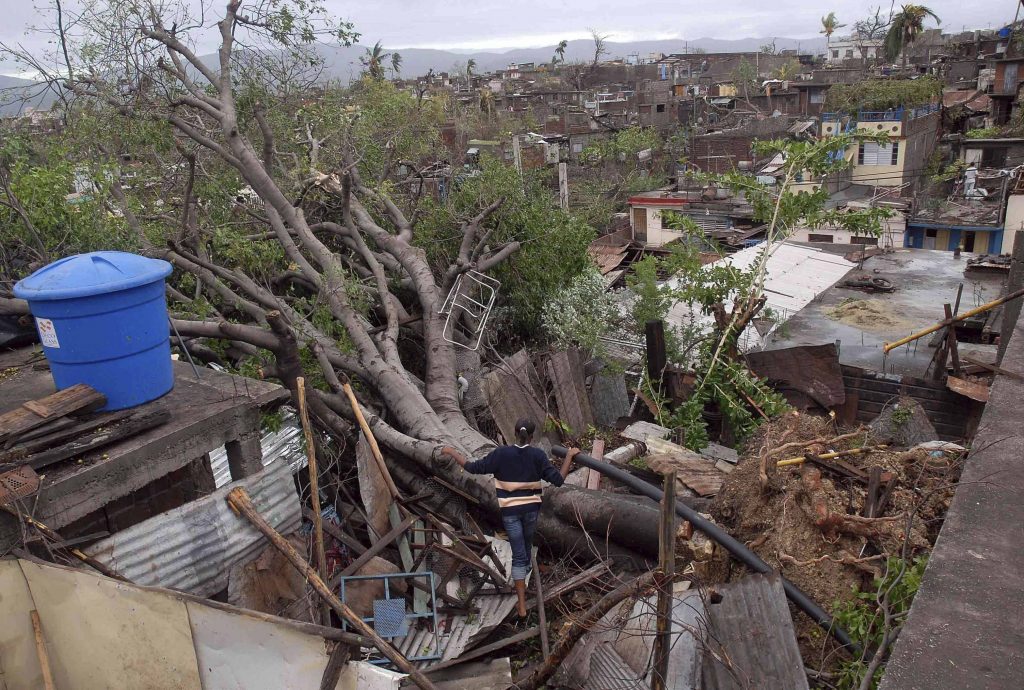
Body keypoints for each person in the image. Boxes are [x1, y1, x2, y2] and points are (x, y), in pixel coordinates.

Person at [441, 419, 578, 617]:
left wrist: (452, 452)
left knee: (519, 554)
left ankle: (521, 604)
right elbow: (558, 480)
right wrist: (569, 457)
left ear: (514, 433)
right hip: (531, 511)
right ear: (532, 437)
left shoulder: (501, 454)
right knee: (527, 543)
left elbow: (472, 467)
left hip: (511, 513)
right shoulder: (538, 455)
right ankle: (526, 575)